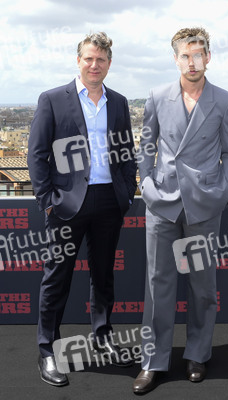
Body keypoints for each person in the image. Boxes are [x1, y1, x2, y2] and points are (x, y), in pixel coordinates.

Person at [133, 27, 228, 394]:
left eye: (198, 54)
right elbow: (146, 147)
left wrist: (222, 190)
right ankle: (153, 361)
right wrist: (146, 185)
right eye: (185, 55)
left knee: (202, 287)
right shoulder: (157, 96)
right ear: (176, 58)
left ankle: (197, 354)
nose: (192, 61)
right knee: (156, 285)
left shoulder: (224, 100)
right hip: (161, 202)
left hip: (203, 205)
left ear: (207, 57)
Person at [27, 32, 137, 387]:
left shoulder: (118, 102)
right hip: (66, 204)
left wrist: (126, 192)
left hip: (109, 201)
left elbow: (127, 152)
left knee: (103, 275)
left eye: (101, 60)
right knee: (57, 277)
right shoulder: (53, 99)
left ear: (109, 64)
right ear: (79, 60)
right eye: (89, 59)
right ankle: (48, 351)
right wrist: (48, 201)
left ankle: (102, 337)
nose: (94, 65)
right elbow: (36, 154)